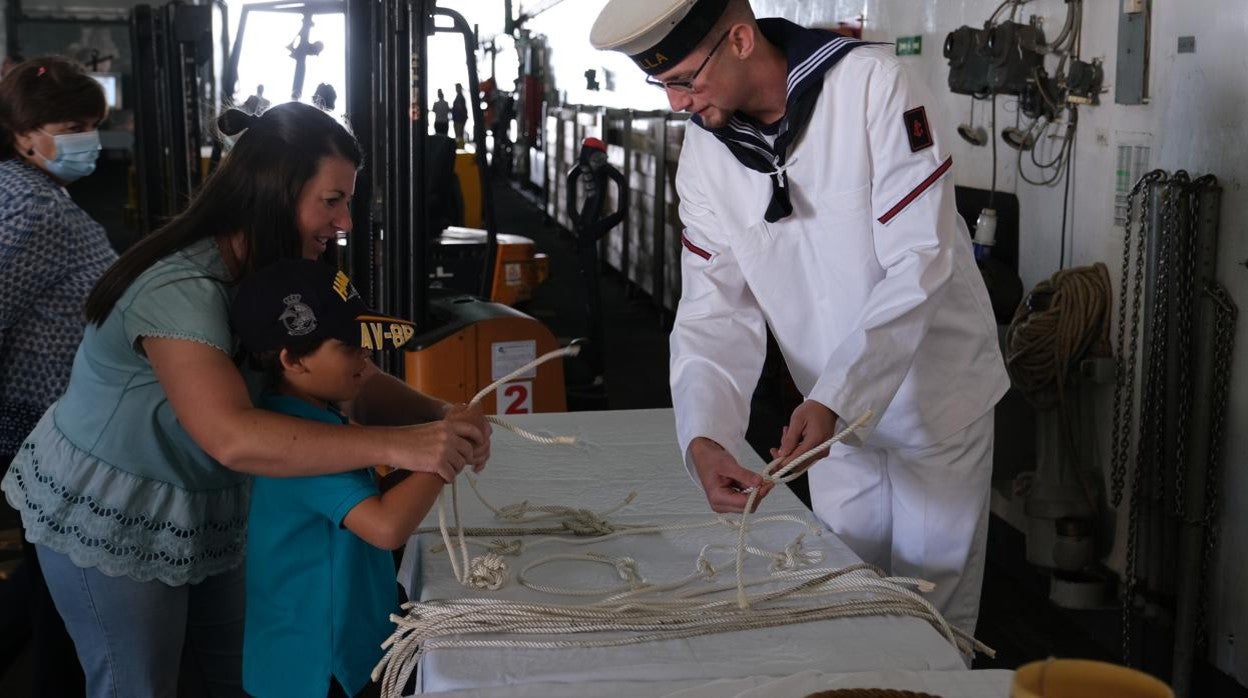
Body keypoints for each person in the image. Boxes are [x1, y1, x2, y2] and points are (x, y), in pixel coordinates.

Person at [1, 101, 491, 697]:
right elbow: (232, 435)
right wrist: (408, 445)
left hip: (208, 500)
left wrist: (437, 415)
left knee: (237, 673)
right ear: (276, 192)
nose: (344, 223)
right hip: (119, 503)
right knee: (140, 683)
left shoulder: (276, 269)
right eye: (332, 200)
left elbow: (340, 368)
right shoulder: (181, 288)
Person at [590, 0, 1009, 639]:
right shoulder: (706, 157)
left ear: (738, 38)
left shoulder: (872, 87)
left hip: (935, 402)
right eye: (663, 84)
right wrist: (707, 434)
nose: (677, 103)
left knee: (929, 619)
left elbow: (919, 263)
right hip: (828, 421)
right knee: (841, 603)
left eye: (683, 80)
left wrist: (839, 397)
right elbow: (714, 311)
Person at [230, 259, 449, 698]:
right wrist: (443, 458)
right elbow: (385, 527)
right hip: (315, 669)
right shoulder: (300, 445)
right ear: (293, 359)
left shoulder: (316, 419)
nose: (366, 354)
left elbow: (361, 505)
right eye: (349, 346)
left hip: (324, 654)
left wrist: (432, 447)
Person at [0, 55, 118, 693]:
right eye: (72, 124)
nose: (87, 138)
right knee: (62, 580)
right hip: (37, 422)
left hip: (42, 419)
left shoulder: (30, 191)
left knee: (50, 572)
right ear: (24, 134)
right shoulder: (35, 211)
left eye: (92, 123)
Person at [451, 82, 468, 147]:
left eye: (457, 87)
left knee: (459, 135)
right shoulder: (459, 96)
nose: (456, 89)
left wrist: (464, 116)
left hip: (459, 118)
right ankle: (460, 147)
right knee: (459, 135)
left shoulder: (460, 97)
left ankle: (460, 148)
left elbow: (460, 108)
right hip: (459, 118)